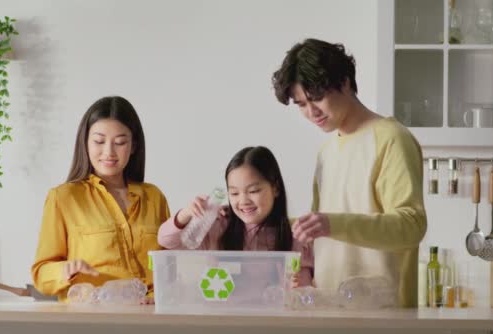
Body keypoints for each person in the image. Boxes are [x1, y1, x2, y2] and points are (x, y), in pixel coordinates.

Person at [272, 38, 427, 307]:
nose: (311, 112)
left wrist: (332, 224)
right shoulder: (326, 151)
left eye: (316, 98)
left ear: (344, 82)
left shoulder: (391, 139)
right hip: (329, 311)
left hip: (384, 314)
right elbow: (322, 233)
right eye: (301, 104)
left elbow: (411, 226)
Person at [31, 96, 170, 303]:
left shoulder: (154, 197)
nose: (109, 152)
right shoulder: (64, 198)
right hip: (91, 320)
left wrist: (159, 295)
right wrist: (64, 270)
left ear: (133, 146)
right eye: (99, 141)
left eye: (120, 142)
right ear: (85, 142)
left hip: (148, 320)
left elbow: (169, 266)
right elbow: (41, 273)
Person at [158, 146, 313, 287]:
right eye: (234, 193)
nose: (243, 201)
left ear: (276, 189)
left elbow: (304, 288)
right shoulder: (218, 227)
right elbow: (166, 241)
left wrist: (299, 286)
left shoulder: (295, 236)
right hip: (222, 317)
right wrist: (186, 214)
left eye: (253, 191)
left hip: (271, 318)